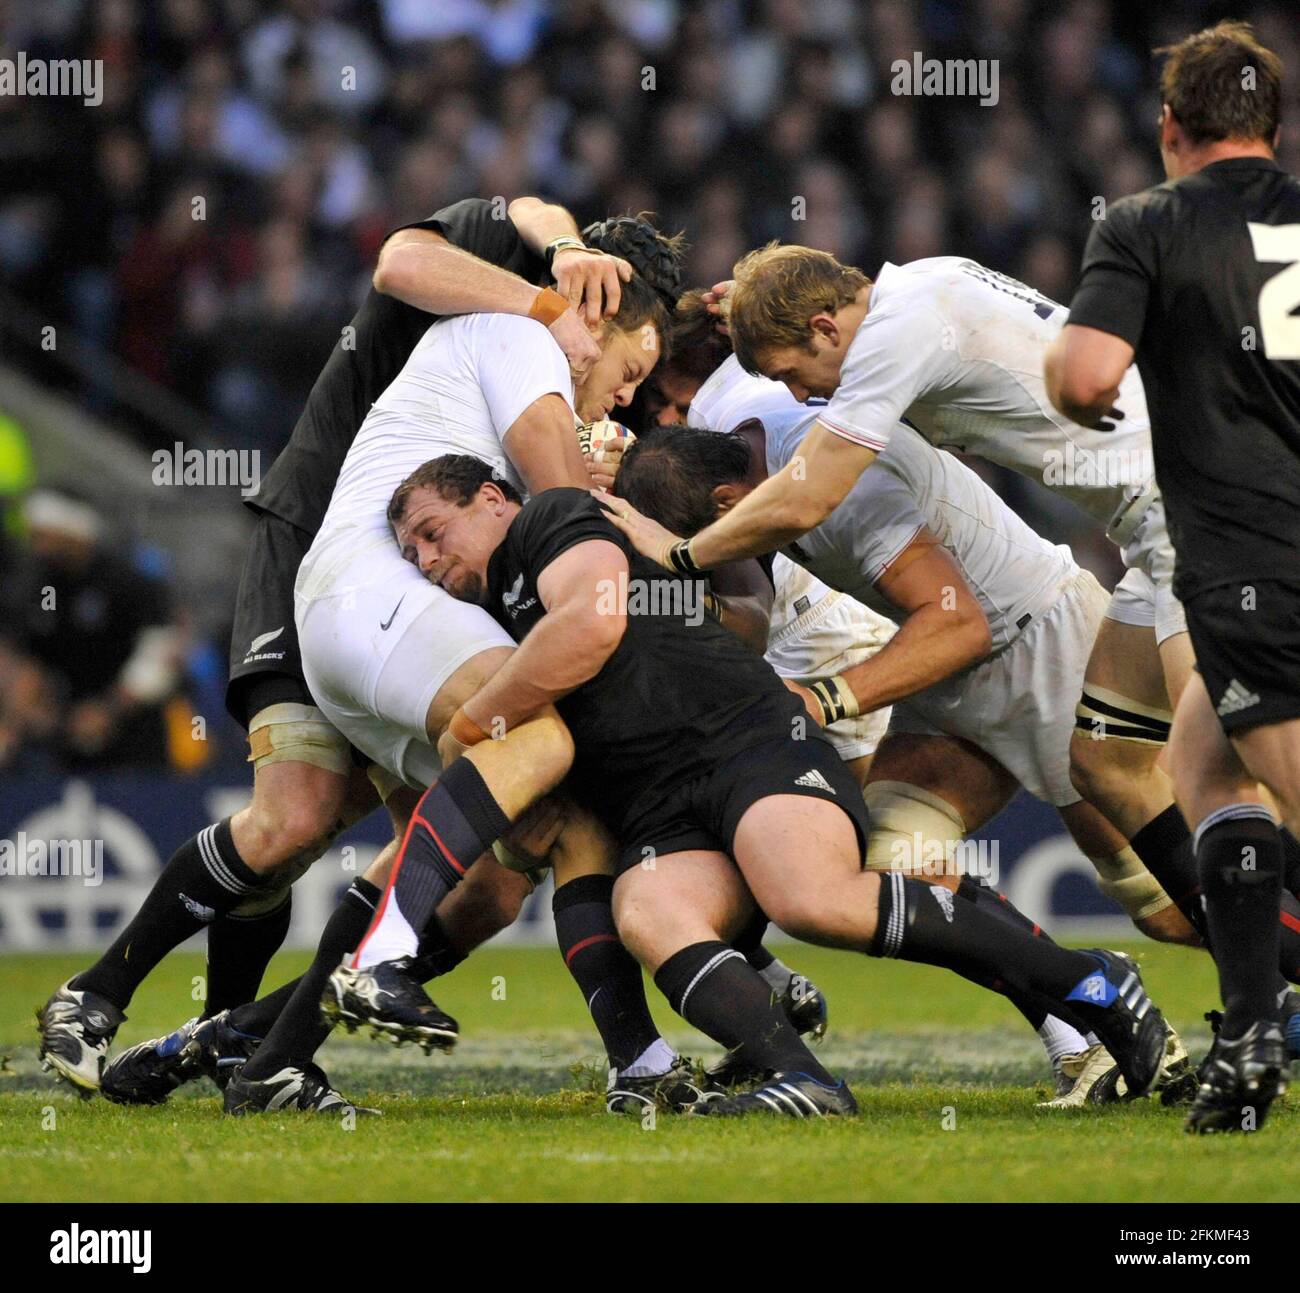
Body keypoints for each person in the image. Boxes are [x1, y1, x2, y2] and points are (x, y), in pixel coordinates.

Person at [326, 454, 1174, 1119]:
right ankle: (801, 1079)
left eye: (435, 532)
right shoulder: (496, 610)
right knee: (649, 910)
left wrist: (476, 719)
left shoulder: (551, 518)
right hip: (660, 803)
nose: (429, 560)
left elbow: (594, 618)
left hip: (742, 743)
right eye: (411, 554)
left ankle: (1093, 982)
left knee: (813, 898)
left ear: (492, 498)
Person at [36, 195, 658, 1097]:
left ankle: (244, 1050)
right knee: (296, 816)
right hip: (325, 543)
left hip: (416, 580)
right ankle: (100, 994)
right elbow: (405, 259)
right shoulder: (511, 297)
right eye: (633, 368)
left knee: (482, 881)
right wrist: (553, 278)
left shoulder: (531, 359)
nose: (631, 395)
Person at [1044, 21, 1300, 1133]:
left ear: (1167, 129)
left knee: (1280, 782)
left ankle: (1251, 1038)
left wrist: (1069, 384)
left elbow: (1088, 370)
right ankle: (1248, 1035)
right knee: (1203, 765)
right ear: (1272, 129)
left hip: (1257, 555)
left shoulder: (1146, 225)